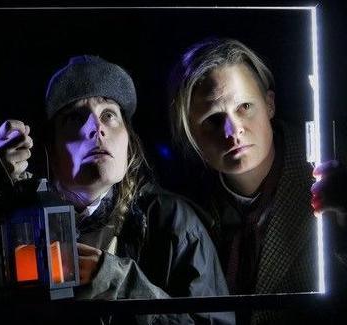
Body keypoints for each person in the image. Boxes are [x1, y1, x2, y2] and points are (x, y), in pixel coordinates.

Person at [167, 37, 347, 323]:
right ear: (190, 135)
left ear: (270, 104)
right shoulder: (180, 208)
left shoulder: (334, 171)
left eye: (245, 107)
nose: (232, 130)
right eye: (213, 119)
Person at [43, 55, 232, 324]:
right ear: (51, 148)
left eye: (108, 115)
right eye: (75, 118)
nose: (96, 128)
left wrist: (124, 286)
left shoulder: (173, 223)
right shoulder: (24, 226)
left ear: (129, 141)